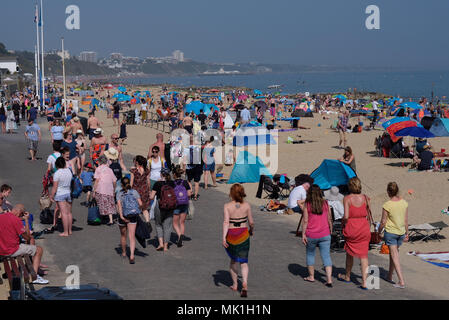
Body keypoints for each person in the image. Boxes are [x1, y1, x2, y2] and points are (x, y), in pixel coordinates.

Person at [0, 204, 49, 284]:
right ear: (19, 212)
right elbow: (27, 237)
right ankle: (35, 277)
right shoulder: (16, 220)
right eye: (22, 214)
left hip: (1, 250)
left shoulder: (1, 216)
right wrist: (26, 220)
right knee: (39, 250)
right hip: (11, 250)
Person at [338, 177, 372, 290]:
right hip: (363, 227)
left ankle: (347, 276)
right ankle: (365, 282)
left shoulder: (347, 198)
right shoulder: (366, 198)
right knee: (364, 255)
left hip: (352, 228)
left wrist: (342, 222)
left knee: (349, 252)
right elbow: (368, 213)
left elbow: (346, 216)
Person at [223, 184, 254, 298]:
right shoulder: (246, 205)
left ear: (231, 193)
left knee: (233, 260)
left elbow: (226, 222)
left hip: (231, 233)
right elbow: (251, 222)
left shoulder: (227, 206)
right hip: (243, 233)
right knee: (244, 262)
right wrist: (251, 230)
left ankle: (235, 284)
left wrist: (223, 237)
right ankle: (244, 282)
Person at [301, 184, 333, 287]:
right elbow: (329, 218)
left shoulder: (307, 204)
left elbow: (305, 220)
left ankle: (311, 276)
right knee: (326, 256)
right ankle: (329, 279)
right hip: (325, 233)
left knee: (310, 254)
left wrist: (303, 234)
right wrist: (330, 229)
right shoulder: (325, 203)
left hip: (311, 234)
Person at [378, 182, 409, 289]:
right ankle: (389, 276)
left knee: (395, 255)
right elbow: (405, 220)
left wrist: (378, 231)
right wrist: (407, 233)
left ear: (388, 191)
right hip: (401, 233)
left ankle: (401, 281)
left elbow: (383, 221)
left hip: (391, 233)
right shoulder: (404, 203)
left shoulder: (387, 204)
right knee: (393, 254)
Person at [116, 177, 142, 264]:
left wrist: (121, 216)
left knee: (123, 235)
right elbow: (141, 204)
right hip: (132, 216)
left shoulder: (119, 193)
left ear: (121, 185)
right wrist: (137, 210)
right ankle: (131, 255)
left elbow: (119, 206)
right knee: (132, 236)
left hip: (123, 216)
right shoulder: (134, 192)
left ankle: (123, 253)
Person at [150, 168, 175, 252]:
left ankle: (160, 244)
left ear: (161, 174)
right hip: (171, 206)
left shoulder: (157, 183)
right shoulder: (172, 183)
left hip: (160, 205)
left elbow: (151, 197)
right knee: (167, 227)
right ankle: (165, 246)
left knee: (158, 224)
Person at [49, 157, 74, 237]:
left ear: (56, 165)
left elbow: (55, 187)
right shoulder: (69, 171)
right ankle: (70, 230)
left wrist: (51, 196)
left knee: (63, 213)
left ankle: (65, 232)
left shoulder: (57, 173)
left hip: (60, 194)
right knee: (69, 213)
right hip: (68, 192)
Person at [93, 155, 117, 226]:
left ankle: (100, 217)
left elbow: (96, 180)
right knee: (109, 204)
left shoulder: (98, 169)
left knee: (100, 203)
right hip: (109, 189)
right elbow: (114, 181)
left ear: (99, 161)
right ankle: (111, 220)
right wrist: (114, 189)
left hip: (101, 188)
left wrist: (94, 190)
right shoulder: (110, 169)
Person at [172, 166, 192, 247]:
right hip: (184, 203)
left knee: (175, 223)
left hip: (176, 204)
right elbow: (189, 194)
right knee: (182, 222)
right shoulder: (185, 182)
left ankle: (179, 235)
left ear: (174, 174)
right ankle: (181, 238)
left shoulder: (172, 183)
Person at [130, 155, 151, 223]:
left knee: (136, 208)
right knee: (144, 209)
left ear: (136, 162)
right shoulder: (146, 170)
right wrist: (149, 190)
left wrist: (128, 191)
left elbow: (131, 182)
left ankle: (139, 223)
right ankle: (147, 222)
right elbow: (148, 182)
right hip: (144, 191)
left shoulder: (134, 170)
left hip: (136, 191)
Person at [184, 135, 203, 201]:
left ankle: (191, 191)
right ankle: (195, 196)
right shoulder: (198, 148)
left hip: (189, 167)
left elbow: (185, 159)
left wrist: (184, 168)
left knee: (188, 181)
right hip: (197, 166)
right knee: (196, 182)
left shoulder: (186, 148)